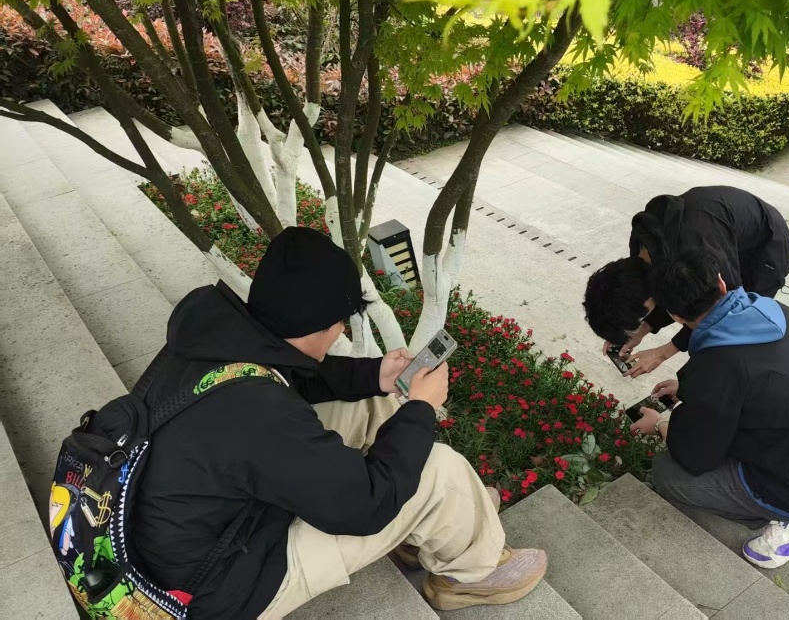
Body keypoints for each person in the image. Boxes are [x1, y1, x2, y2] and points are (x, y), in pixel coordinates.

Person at [130, 227, 546, 617]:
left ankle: (434, 523)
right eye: (340, 322)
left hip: (192, 526)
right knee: (439, 473)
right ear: (321, 326)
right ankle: (470, 574)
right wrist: (421, 408)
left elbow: (290, 376)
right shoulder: (260, 413)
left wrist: (376, 375)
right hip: (218, 587)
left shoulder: (216, 339)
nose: (341, 329)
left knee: (372, 404)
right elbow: (364, 506)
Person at [629, 248, 789, 569]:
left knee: (668, 473)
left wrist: (660, 424)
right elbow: (756, 378)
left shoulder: (715, 368)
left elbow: (696, 456)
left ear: (675, 316)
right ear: (721, 283)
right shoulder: (778, 313)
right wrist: (690, 388)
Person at [583, 186, 789, 378]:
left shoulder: (699, 257)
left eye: (641, 317)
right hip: (721, 223)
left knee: (736, 320)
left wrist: (664, 352)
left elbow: (716, 313)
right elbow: (663, 292)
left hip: (767, 246)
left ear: (651, 297)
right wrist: (642, 329)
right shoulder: (642, 245)